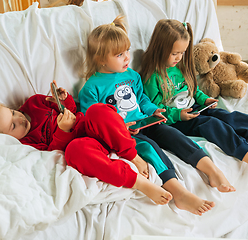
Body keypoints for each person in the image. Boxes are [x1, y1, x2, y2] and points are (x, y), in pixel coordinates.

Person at [78, 16, 238, 216]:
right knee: (149, 148)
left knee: (173, 135)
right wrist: (122, 128)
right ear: (101, 58)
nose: (127, 57)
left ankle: (212, 171)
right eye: (119, 54)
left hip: (147, 122)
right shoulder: (91, 87)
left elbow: (141, 98)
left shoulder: (132, 76)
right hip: (126, 134)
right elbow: (92, 119)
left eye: (127, 51)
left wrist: (153, 110)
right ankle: (178, 191)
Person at [0, 81, 173, 205]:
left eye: (12, 112)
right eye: (12, 126)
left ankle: (132, 155)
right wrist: (62, 131)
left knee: (97, 110)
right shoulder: (26, 144)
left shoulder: (32, 104)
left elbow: (73, 110)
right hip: (84, 146)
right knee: (75, 151)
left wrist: (63, 99)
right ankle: (137, 181)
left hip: (89, 127)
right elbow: (52, 153)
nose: (19, 118)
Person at [140, 19, 248, 179]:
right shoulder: (152, 77)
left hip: (196, 108)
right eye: (174, 53)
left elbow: (193, 89)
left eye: (182, 52)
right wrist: (179, 115)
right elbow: (155, 109)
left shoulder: (179, 68)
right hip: (178, 120)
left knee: (229, 117)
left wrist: (205, 100)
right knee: (212, 125)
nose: (179, 57)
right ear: (159, 49)